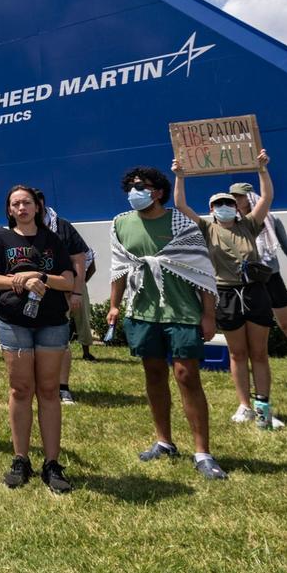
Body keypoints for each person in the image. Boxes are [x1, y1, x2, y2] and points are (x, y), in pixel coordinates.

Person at [110, 165, 226, 479]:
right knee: (154, 374)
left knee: (187, 376)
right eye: (131, 186)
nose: (135, 191)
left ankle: (203, 452)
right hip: (143, 313)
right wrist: (114, 307)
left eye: (142, 186)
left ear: (158, 191)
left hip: (182, 313)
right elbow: (120, 267)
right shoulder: (121, 223)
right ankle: (164, 441)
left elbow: (201, 270)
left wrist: (208, 314)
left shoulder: (180, 223)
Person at [174, 151, 276, 428]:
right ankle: (244, 405)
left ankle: (263, 405)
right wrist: (179, 175)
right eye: (218, 204)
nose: (224, 207)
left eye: (228, 203)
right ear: (212, 209)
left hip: (254, 292)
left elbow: (266, 199)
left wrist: (262, 169)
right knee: (237, 354)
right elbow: (181, 205)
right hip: (227, 295)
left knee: (259, 353)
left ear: (236, 206)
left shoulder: (250, 226)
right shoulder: (207, 228)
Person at [0, 185, 75, 493]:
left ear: (37, 207)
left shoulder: (54, 240)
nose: (21, 207)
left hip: (50, 322)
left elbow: (70, 280)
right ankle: (21, 459)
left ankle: (52, 463)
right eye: (15, 204)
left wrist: (42, 277)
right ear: (9, 210)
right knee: (20, 389)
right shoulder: (1, 239)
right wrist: (18, 279)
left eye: (26, 202)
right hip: (13, 322)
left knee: (49, 390)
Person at [33, 190, 97, 404]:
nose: (31, 209)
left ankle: (63, 388)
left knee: (60, 341)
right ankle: (38, 385)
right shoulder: (20, 228)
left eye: (35, 204)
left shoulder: (63, 227)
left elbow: (81, 259)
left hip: (63, 291)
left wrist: (77, 291)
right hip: (33, 294)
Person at [231, 182, 287, 338]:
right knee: (253, 324)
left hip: (270, 276)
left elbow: (286, 246)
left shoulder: (271, 219)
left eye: (240, 195)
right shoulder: (231, 223)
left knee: (285, 323)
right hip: (246, 280)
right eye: (233, 196)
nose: (236, 199)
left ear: (250, 196)